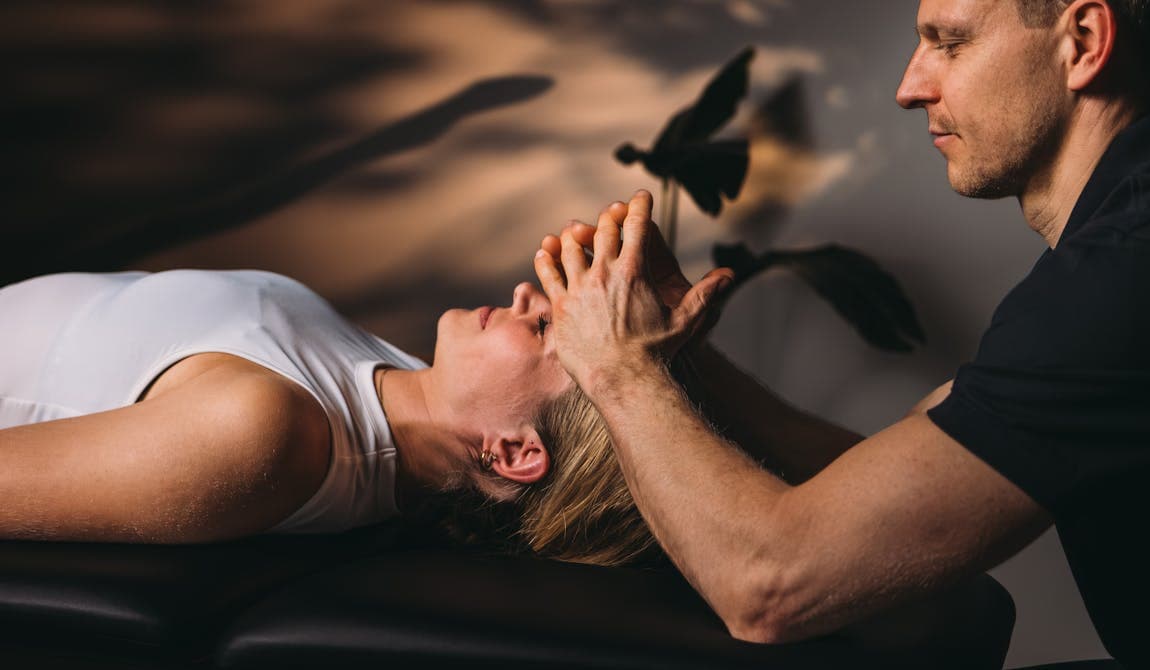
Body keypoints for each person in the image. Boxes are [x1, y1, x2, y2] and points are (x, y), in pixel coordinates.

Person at [534, 0, 1150, 666]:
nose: (909, 88)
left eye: (950, 43)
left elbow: (771, 586)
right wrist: (680, 353)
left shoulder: (1120, 275)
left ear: (1083, 42)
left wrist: (618, 368)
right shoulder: (1114, 253)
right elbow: (894, 478)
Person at [0, 268, 660, 567]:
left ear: (512, 451)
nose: (527, 294)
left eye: (544, 328)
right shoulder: (401, 383)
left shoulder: (268, 435)